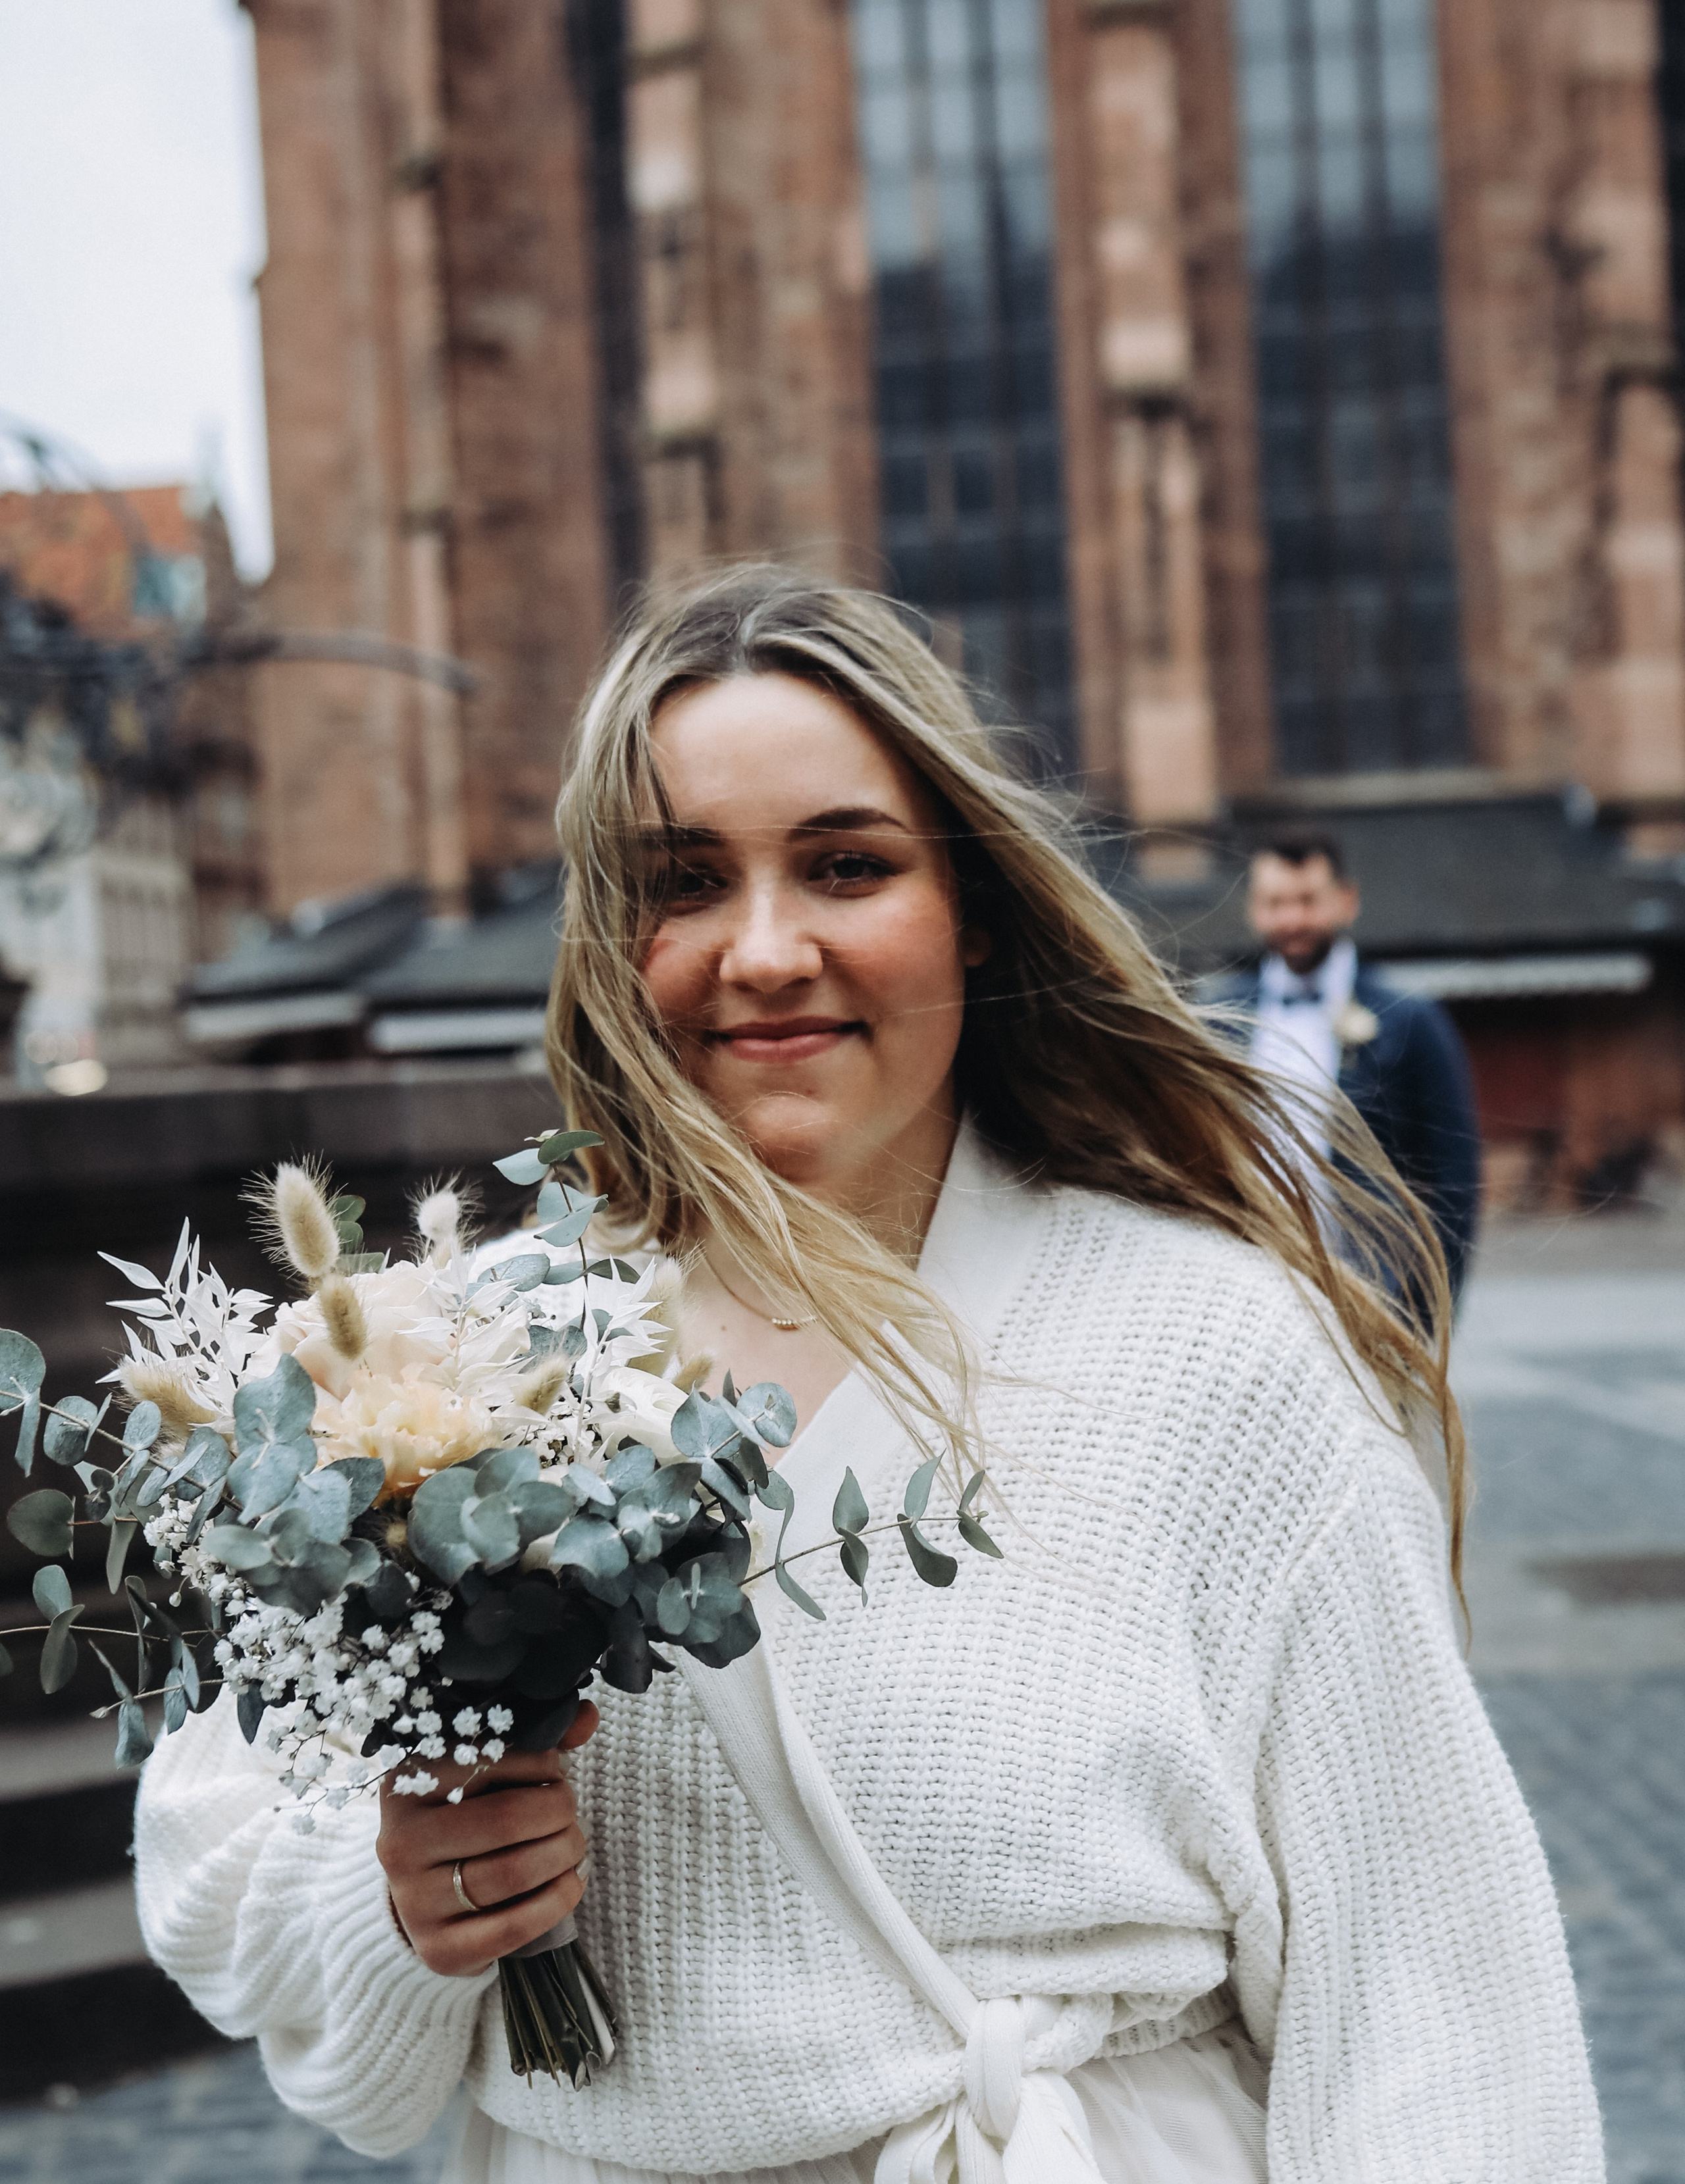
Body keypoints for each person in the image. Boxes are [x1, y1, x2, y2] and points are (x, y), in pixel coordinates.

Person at [133, 566, 1602, 2183]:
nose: (765, 952)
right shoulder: (451, 1360)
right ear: (611, 934)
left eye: (845, 865)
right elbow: (214, 1862)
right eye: (684, 881)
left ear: (968, 903)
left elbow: (1430, 2000)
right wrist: (404, 1891)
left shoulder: (1213, 1349)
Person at [1215, 834, 1482, 1302]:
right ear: (1253, 909)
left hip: (1371, 1294)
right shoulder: (1218, 1017)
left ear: (1347, 901)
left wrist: (1427, 1311)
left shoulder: (1410, 1019)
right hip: (1247, 1289)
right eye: (1276, 903)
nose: (1292, 919)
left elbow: (1454, 1177)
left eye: (1308, 901)